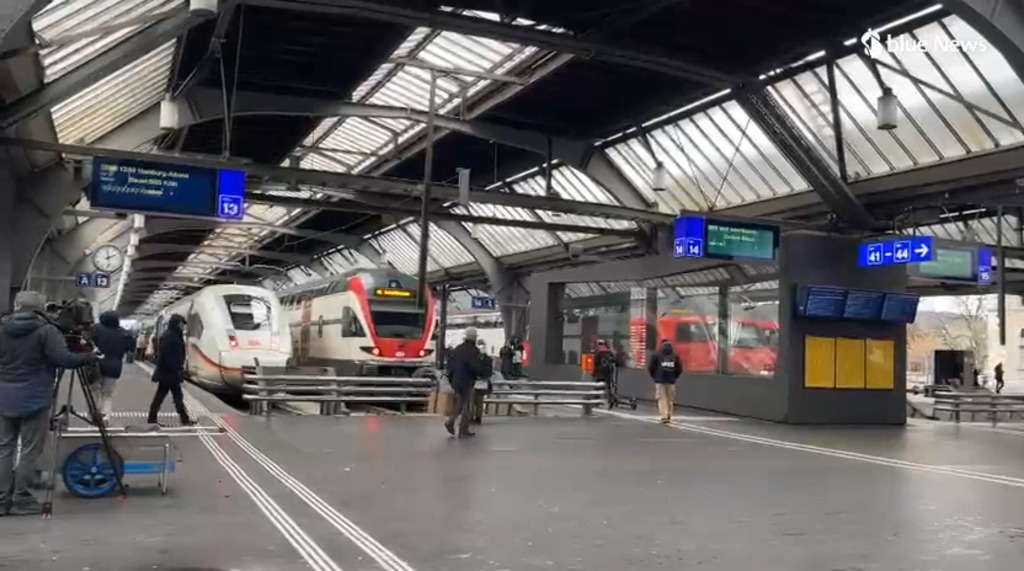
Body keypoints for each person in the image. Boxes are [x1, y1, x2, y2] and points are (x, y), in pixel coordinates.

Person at [0, 291, 96, 515]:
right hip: (35, 399)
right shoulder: (46, 331)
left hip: (3, 398)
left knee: (4, 448)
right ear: (40, 308)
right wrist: (87, 357)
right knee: (29, 451)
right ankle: (21, 499)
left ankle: (2, 498)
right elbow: (63, 360)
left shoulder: (2, 329)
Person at [147, 314, 196, 426]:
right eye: (181, 324)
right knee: (174, 397)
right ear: (176, 323)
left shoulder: (171, 335)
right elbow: (167, 356)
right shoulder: (170, 337)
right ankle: (184, 419)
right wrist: (177, 369)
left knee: (164, 396)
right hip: (170, 372)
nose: (182, 326)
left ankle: (153, 418)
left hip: (169, 372)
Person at [91, 310, 132, 421]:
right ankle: (106, 417)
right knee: (107, 394)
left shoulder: (97, 328)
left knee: (94, 391)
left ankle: (95, 415)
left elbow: (88, 341)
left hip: (96, 365)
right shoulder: (122, 332)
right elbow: (129, 347)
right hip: (114, 367)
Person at [444, 328, 485, 438]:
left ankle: (451, 422)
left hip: (456, 380)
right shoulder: (474, 350)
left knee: (459, 403)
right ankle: (462, 429)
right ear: (474, 338)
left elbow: (450, 365)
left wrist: (451, 378)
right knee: (467, 405)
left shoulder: (458, 349)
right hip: (467, 381)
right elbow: (474, 366)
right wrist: (480, 373)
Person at [647, 339, 682, 424]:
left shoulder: (656, 355)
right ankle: (669, 414)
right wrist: (674, 377)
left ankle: (664, 415)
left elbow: (651, 367)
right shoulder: (675, 355)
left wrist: (655, 377)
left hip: (660, 380)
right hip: (671, 380)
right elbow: (679, 369)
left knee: (661, 398)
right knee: (670, 398)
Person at [470, 338, 494, 424]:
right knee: (476, 400)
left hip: (477, 381)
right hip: (479, 381)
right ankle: (476, 416)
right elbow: (489, 370)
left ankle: (476, 416)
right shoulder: (487, 358)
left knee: (475, 400)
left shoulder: (474, 357)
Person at [592, 339, 617, 407]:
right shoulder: (609, 352)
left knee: (598, 386)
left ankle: (596, 401)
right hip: (608, 372)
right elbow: (614, 360)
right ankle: (610, 400)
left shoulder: (598, 352)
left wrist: (594, 373)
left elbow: (596, 363)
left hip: (600, 372)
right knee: (608, 386)